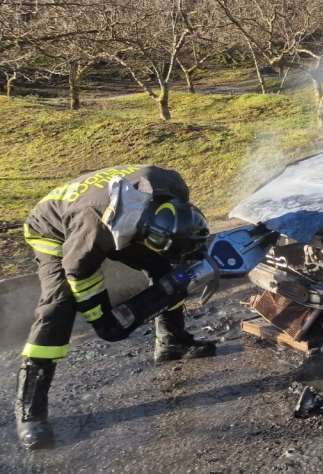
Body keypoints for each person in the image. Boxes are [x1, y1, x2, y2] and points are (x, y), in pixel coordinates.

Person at [16, 164, 215, 449]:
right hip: (55, 228)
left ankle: (172, 342)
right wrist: (102, 319)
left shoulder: (171, 182)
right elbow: (79, 272)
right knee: (57, 306)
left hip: (118, 212)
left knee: (166, 268)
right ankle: (30, 412)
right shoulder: (91, 232)